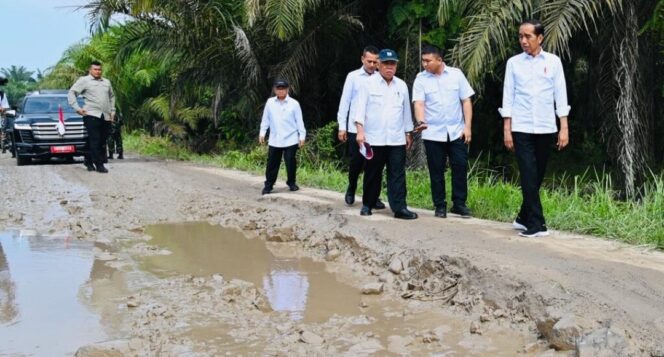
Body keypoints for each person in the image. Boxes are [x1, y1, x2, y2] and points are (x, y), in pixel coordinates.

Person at [499, 19, 570, 237]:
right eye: (520, 36)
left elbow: (560, 94)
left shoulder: (554, 62)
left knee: (536, 175)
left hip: (546, 126)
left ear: (540, 38)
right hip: (521, 127)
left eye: (528, 36)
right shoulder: (513, 63)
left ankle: (522, 216)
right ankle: (537, 224)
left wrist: (564, 127)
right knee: (528, 173)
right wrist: (507, 129)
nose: (523, 40)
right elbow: (508, 95)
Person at [413, 45, 475, 218]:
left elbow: (466, 101)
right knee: (436, 169)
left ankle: (459, 204)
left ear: (439, 60)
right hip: (433, 133)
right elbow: (419, 103)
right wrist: (421, 121)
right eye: (423, 61)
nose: (424, 64)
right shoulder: (421, 79)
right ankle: (440, 205)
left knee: (460, 166)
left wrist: (468, 126)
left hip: (457, 131)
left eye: (428, 61)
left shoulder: (456, 75)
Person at [354, 49, 417, 220]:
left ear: (396, 65)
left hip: (396, 138)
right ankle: (368, 203)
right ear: (379, 65)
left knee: (397, 174)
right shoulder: (367, 84)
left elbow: (405, 113)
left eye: (393, 64)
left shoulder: (401, 85)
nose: (389, 67)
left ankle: (399, 208)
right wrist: (360, 132)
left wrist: (408, 133)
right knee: (373, 172)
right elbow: (359, 110)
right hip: (374, 138)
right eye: (386, 64)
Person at [336, 46, 385, 209]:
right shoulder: (353, 77)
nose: (372, 64)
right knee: (356, 163)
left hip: (376, 130)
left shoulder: (382, 78)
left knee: (376, 166)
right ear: (362, 59)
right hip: (354, 129)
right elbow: (345, 102)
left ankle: (372, 197)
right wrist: (342, 126)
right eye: (369, 61)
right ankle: (351, 188)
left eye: (375, 61)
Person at [259, 79, 306, 194]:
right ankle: (268, 185)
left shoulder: (294, 104)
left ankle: (291, 183)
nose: (280, 91)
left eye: (283, 88)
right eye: (278, 89)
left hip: (291, 138)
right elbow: (266, 119)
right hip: (275, 138)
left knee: (290, 161)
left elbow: (299, 121)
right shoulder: (270, 102)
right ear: (275, 90)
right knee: (272, 163)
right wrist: (262, 133)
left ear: (287, 89)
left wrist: (302, 136)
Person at [68, 60, 116, 173]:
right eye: (95, 69)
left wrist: (112, 111)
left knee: (101, 140)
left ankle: (88, 159)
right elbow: (72, 93)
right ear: (90, 70)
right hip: (91, 114)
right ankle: (99, 164)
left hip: (106, 116)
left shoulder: (106, 82)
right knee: (95, 139)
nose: (98, 71)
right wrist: (78, 108)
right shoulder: (84, 81)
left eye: (99, 69)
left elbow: (112, 97)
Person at [0, 77, 11, 155]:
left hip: (1, 115)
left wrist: (2, 109)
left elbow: (5, 107)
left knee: (3, 129)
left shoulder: (2, 94)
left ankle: (3, 144)